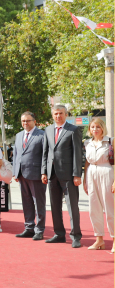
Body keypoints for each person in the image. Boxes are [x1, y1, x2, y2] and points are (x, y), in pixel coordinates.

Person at [42, 104, 83, 248]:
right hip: (52, 175)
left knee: (72, 206)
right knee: (54, 206)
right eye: (55, 114)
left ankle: (76, 236)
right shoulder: (47, 130)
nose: (58, 116)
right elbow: (45, 153)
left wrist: (77, 174)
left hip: (68, 176)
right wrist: (43, 171)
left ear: (66, 115)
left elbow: (78, 154)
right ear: (52, 115)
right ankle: (59, 234)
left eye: (61, 113)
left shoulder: (73, 130)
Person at [12, 111, 46, 240]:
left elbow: (45, 156)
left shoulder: (42, 135)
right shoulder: (19, 135)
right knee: (26, 203)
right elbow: (16, 154)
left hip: (36, 174)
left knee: (39, 203)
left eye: (28, 120)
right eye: (23, 121)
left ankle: (39, 230)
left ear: (34, 121)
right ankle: (29, 228)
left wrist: (44, 172)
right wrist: (16, 172)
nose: (25, 123)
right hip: (22, 174)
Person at [82, 118, 114, 252]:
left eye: (98, 127)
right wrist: (84, 180)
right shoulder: (87, 143)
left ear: (103, 128)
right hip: (91, 173)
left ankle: (114, 239)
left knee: (110, 207)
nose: (95, 130)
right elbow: (87, 162)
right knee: (93, 208)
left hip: (106, 172)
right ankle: (99, 240)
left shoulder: (110, 141)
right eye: (92, 127)